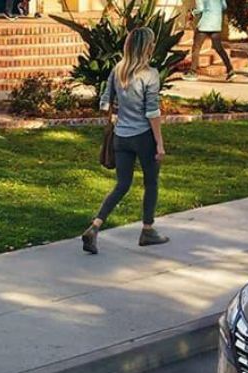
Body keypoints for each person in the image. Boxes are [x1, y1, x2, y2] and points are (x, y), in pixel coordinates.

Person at [82, 27, 170, 254]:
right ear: (147, 47)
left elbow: (104, 102)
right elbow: (152, 112)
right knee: (151, 182)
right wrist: (159, 143)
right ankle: (148, 230)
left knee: (122, 184)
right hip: (143, 137)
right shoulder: (150, 74)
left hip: (121, 136)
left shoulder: (118, 70)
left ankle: (95, 226)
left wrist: (116, 116)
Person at [186, 0, 235, 81]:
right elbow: (224, 6)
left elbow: (200, 8)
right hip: (216, 24)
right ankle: (230, 71)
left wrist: (192, 12)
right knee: (219, 48)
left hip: (205, 25)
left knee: (196, 48)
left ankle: (193, 72)